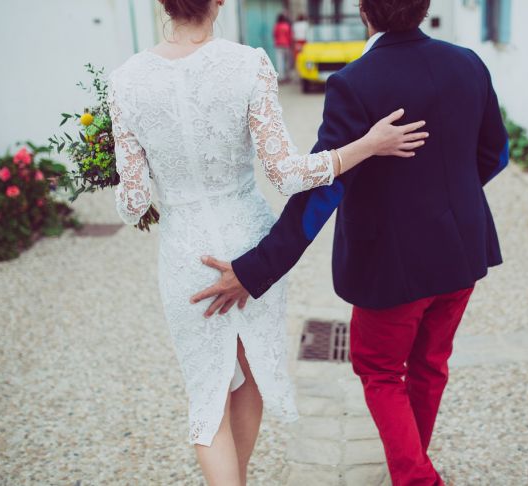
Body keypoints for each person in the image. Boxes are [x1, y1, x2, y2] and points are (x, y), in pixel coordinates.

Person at [107, 0, 428, 484]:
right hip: (247, 244)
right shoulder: (248, 64)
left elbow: (133, 204)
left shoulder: (125, 81)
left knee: (206, 397)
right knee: (249, 375)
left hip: (185, 254)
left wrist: (118, 169)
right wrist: (367, 145)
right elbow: (285, 174)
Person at [191, 0, 510, 484]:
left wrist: (256, 269)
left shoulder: (354, 82)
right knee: (429, 365)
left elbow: (322, 192)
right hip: (462, 251)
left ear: (363, 10)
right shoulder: (468, 63)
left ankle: (417, 478)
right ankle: (412, 462)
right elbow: (496, 154)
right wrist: (446, 206)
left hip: (393, 265)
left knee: (379, 368)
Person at [273, 14, 293, 82]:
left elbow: (274, 35)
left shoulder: (276, 26)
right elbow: (290, 36)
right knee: (287, 62)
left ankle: (281, 77)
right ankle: (287, 76)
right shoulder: (286, 26)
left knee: (280, 62)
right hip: (286, 45)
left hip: (279, 45)